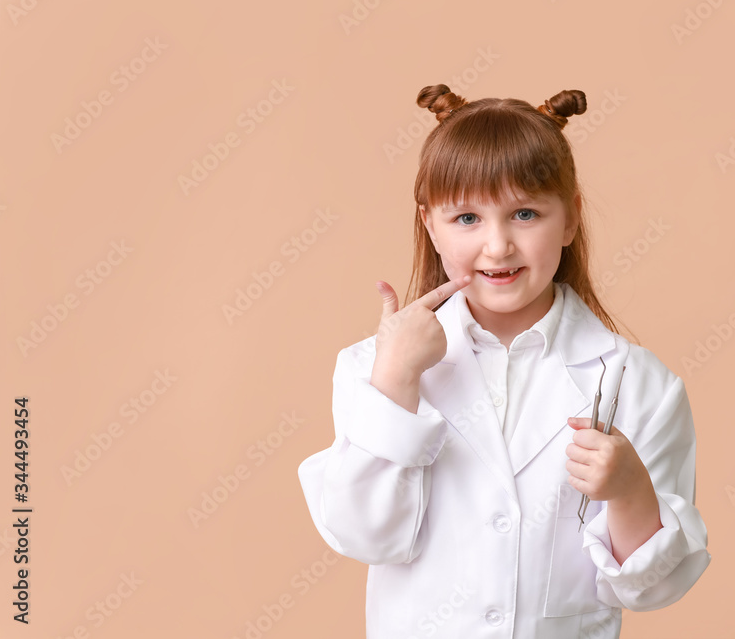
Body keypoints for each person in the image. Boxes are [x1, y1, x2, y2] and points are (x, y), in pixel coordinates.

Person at [297, 84, 711, 638]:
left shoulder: (638, 383)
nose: (497, 247)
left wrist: (631, 491)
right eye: (466, 218)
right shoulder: (371, 369)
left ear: (569, 220)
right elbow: (361, 534)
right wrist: (396, 382)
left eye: (524, 213)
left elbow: (656, 588)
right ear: (429, 224)